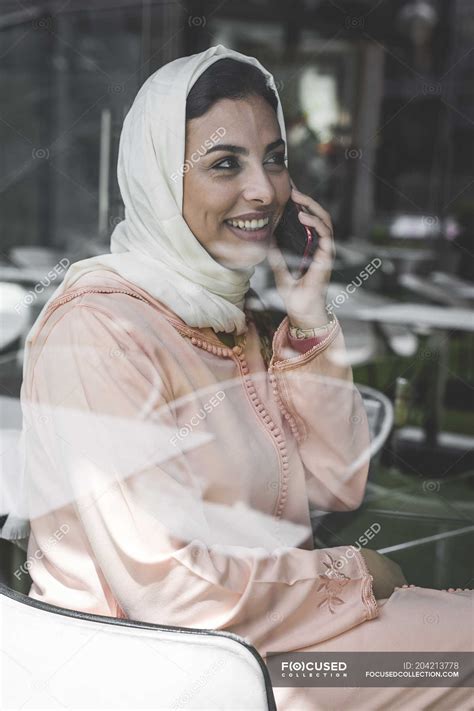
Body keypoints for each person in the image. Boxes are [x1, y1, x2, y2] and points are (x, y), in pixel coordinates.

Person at [6, 45, 472, 710]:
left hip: (264, 639)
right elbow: (168, 591)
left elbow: (336, 487)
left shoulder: (228, 318)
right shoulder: (102, 331)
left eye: (275, 158)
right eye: (227, 163)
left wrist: (309, 321)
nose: (265, 189)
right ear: (160, 177)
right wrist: (350, 571)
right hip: (159, 671)